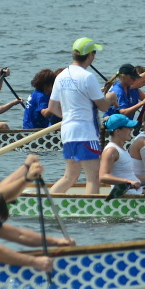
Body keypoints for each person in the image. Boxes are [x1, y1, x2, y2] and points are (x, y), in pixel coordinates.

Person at [46, 38, 113, 194]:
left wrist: (69, 116)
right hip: (86, 132)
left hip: (67, 131)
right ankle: (92, 215)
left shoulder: (61, 76)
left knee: (70, 176)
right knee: (93, 177)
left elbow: (52, 108)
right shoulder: (87, 77)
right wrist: (110, 97)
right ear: (90, 55)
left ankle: (47, 203)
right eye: (94, 53)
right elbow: (103, 106)